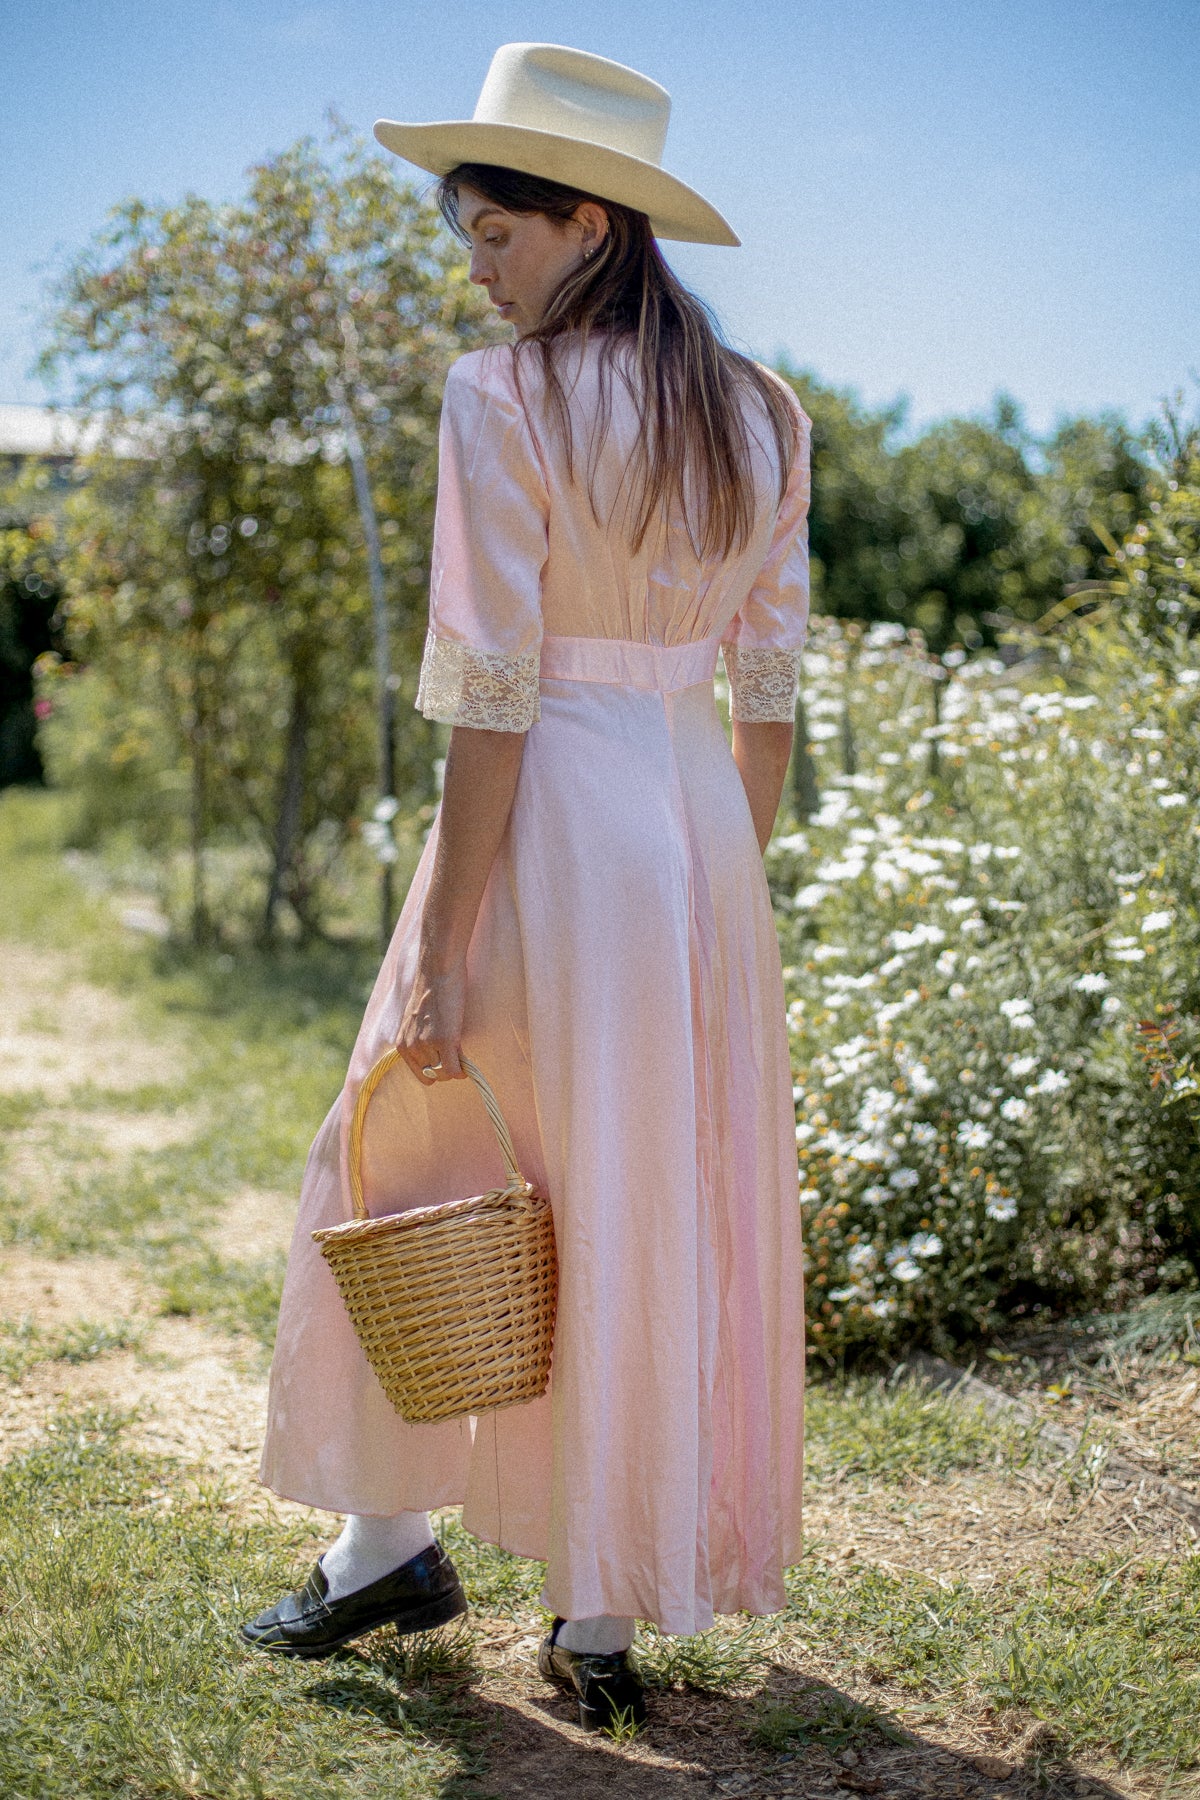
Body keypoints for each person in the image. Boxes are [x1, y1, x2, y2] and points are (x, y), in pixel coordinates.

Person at [241, 42, 810, 1734]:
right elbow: (767, 698)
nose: (476, 268)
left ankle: (386, 1547)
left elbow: (490, 695)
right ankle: (601, 1612)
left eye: (495, 234)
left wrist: (444, 938)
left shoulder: (504, 402)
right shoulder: (767, 415)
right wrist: (717, 888)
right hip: (696, 840)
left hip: (550, 814)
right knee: (642, 1192)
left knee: (410, 1149)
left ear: (586, 220)